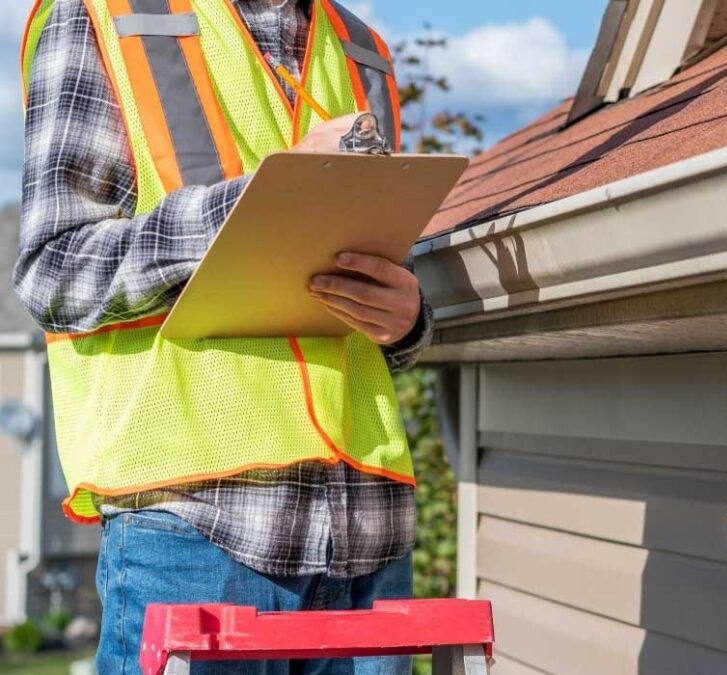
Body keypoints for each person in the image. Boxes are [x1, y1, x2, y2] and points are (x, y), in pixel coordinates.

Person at [15, 1, 428, 673]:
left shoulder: (359, 47)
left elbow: (374, 280)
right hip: (196, 532)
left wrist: (409, 320)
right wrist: (263, 200)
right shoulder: (104, 14)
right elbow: (54, 270)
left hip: (368, 537)